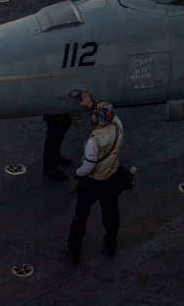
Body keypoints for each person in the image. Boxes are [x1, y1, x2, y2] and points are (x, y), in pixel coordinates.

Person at [65, 90, 124, 264]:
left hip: (93, 183)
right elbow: (112, 117)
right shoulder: (117, 127)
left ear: (96, 119)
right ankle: (110, 246)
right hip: (112, 178)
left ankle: (74, 249)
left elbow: (88, 166)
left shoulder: (94, 141)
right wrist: (92, 105)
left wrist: (77, 173)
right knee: (111, 214)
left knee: (80, 217)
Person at [42, 114, 75, 181]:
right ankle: (49, 168)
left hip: (62, 114)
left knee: (57, 138)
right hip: (56, 114)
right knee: (52, 140)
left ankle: (56, 157)